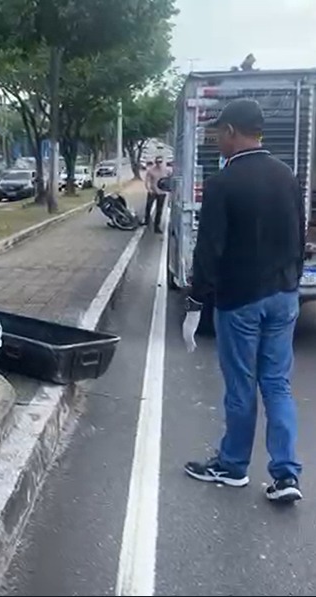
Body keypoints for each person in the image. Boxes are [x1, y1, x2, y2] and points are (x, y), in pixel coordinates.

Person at [182, 98, 305, 503]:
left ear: (232, 132)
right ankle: (286, 476)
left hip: (240, 301)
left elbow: (209, 248)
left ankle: (233, 466)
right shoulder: (287, 175)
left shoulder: (223, 183)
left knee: (240, 385)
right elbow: (298, 235)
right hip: (284, 296)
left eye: (219, 131)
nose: (216, 137)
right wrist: (289, 280)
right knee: (277, 384)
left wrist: (197, 299)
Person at [144, 155, 171, 233]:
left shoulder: (166, 170)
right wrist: (149, 189)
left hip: (162, 192)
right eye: (157, 162)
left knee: (159, 210)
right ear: (155, 162)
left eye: (160, 162)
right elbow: (147, 181)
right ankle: (147, 221)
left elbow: (170, 180)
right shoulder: (151, 170)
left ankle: (157, 227)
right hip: (153, 191)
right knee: (148, 206)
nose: (159, 164)